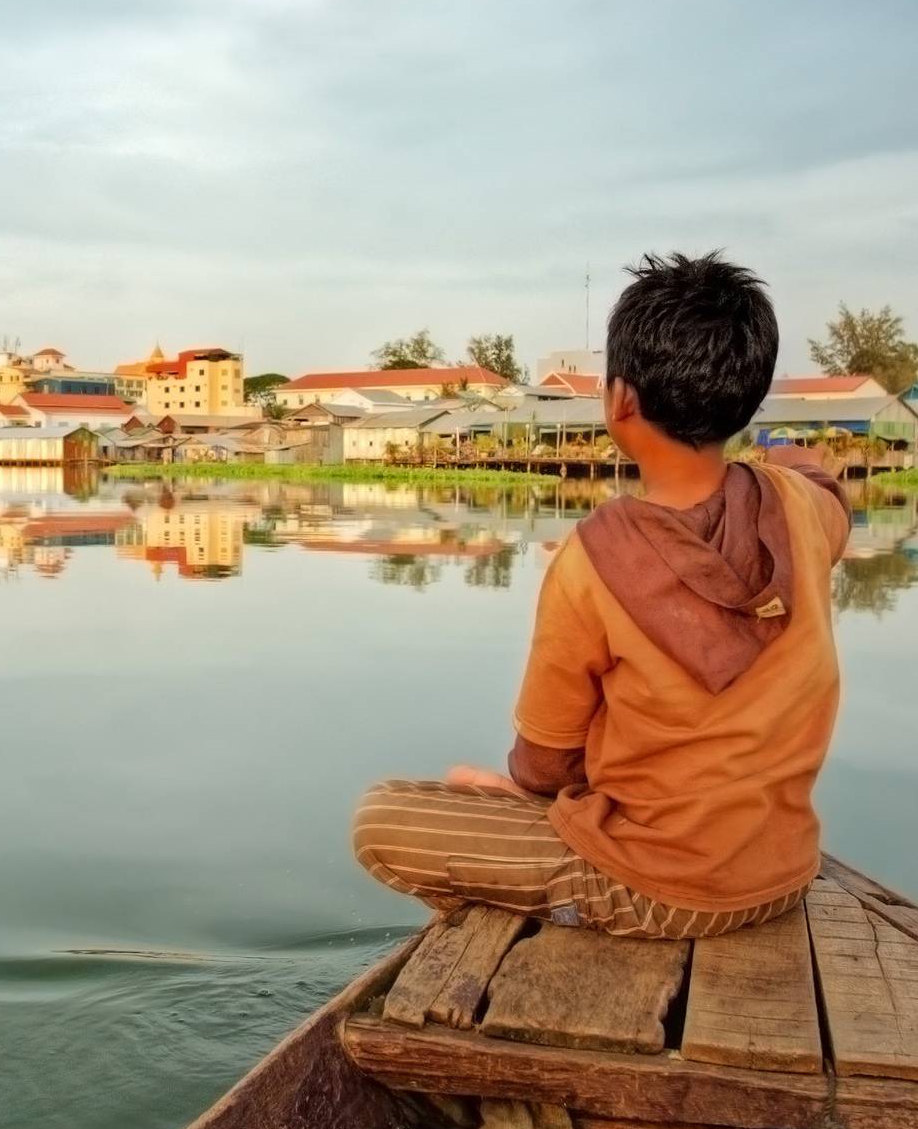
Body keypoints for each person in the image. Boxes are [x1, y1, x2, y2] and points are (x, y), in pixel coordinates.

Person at [352, 251, 852, 939]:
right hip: (781, 875)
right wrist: (783, 459)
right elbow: (819, 479)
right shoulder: (803, 510)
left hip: (657, 889)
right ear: (746, 399)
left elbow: (544, 763)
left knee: (381, 817)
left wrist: (524, 801)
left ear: (619, 401)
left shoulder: (591, 560)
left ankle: (563, 908)